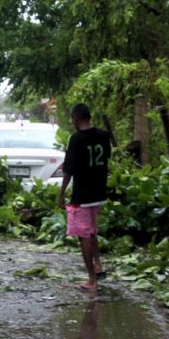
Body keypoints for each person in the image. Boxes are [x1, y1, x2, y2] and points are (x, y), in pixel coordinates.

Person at [58, 103, 111, 291]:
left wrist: (61, 194)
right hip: (99, 191)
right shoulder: (104, 136)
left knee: (83, 235)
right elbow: (106, 159)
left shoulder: (76, 139)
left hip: (82, 194)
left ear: (75, 119)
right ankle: (98, 265)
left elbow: (68, 170)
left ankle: (92, 280)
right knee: (91, 230)